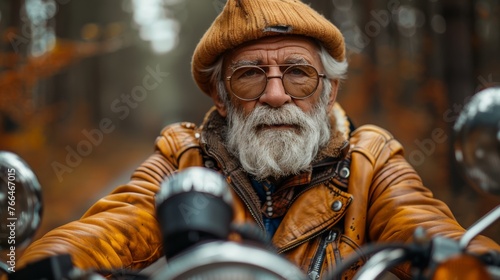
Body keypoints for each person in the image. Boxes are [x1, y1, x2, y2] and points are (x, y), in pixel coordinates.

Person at [18, 0, 500, 279]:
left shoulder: (372, 160)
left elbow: (430, 229)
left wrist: (473, 266)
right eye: (250, 75)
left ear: (329, 90)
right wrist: (39, 268)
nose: (275, 94)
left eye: (297, 73)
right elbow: (104, 231)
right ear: (224, 98)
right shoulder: (183, 156)